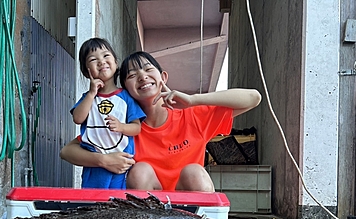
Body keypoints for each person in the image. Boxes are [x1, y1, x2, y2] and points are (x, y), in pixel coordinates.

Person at [61, 51, 261, 192]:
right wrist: (103, 160)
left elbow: (253, 98)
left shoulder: (191, 115)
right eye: (132, 75)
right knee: (140, 171)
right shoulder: (123, 127)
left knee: (195, 172)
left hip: (188, 210)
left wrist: (194, 100)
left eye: (148, 69)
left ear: (163, 76)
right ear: (125, 90)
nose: (142, 77)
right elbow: (67, 151)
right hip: (149, 212)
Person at [71, 38, 146, 189]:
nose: (101, 61)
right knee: (92, 203)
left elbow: (136, 128)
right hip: (94, 164)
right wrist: (92, 93)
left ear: (116, 63)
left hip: (121, 161)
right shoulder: (88, 97)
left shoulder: (126, 97)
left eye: (106, 56)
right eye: (93, 59)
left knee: (117, 202)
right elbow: (78, 118)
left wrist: (121, 127)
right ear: (87, 71)